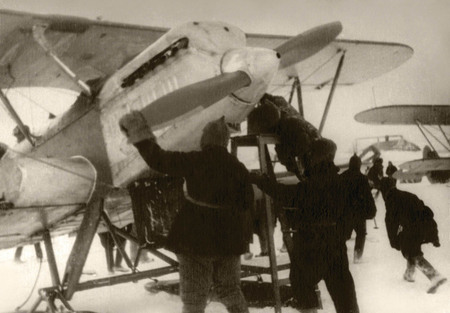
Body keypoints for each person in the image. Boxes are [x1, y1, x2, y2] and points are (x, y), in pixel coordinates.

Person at [119, 112, 253, 313]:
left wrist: (139, 132)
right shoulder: (239, 168)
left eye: (203, 133)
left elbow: (159, 160)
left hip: (196, 238)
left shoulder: (196, 160)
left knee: (194, 298)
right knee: (231, 290)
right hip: (230, 240)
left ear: (208, 138)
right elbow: (247, 202)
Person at [251, 138, 359, 313]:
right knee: (345, 297)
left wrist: (261, 181)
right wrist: (342, 232)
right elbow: (360, 212)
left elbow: (284, 194)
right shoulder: (341, 183)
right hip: (335, 246)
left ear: (316, 157)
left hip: (309, 246)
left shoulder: (310, 184)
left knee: (302, 286)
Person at [379, 178, 447, 293]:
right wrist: (433, 234)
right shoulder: (407, 195)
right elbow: (427, 212)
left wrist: (394, 241)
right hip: (423, 226)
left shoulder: (391, 200)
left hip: (412, 229)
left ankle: (434, 275)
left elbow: (391, 223)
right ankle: (409, 274)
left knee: (411, 251)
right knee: (411, 249)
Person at [340, 154, 377, 263]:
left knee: (343, 235)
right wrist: (372, 210)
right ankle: (357, 257)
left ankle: (340, 255)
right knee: (361, 234)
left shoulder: (342, 177)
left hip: (345, 213)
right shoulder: (362, 179)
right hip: (359, 214)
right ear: (359, 165)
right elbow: (367, 196)